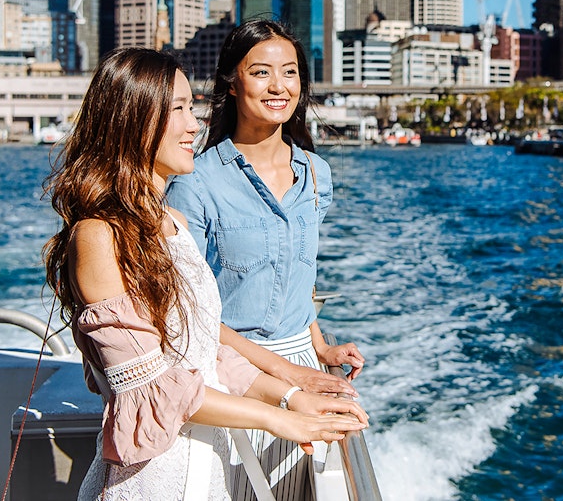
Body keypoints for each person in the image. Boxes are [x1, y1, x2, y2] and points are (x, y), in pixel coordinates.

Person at [43, 47, 367, 500]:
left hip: (204, 472)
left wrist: (294, 397)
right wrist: (281, 418)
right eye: (175, 109)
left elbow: (204, 351)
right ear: (132, 119)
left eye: (190, 108)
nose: (193, 125)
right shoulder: (99, 236)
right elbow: (150, 389)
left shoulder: (170, 223)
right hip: (151, 482)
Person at [166, 19, 366, 494]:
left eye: (290, 72)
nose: (279, 86)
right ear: (232, 85)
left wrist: (318, 346)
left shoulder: (316, 173)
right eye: (261, 73)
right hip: (230, 373)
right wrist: (284, 371)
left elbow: (297, 273)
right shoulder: (197, 181)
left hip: (301, 365)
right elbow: (185, 305)